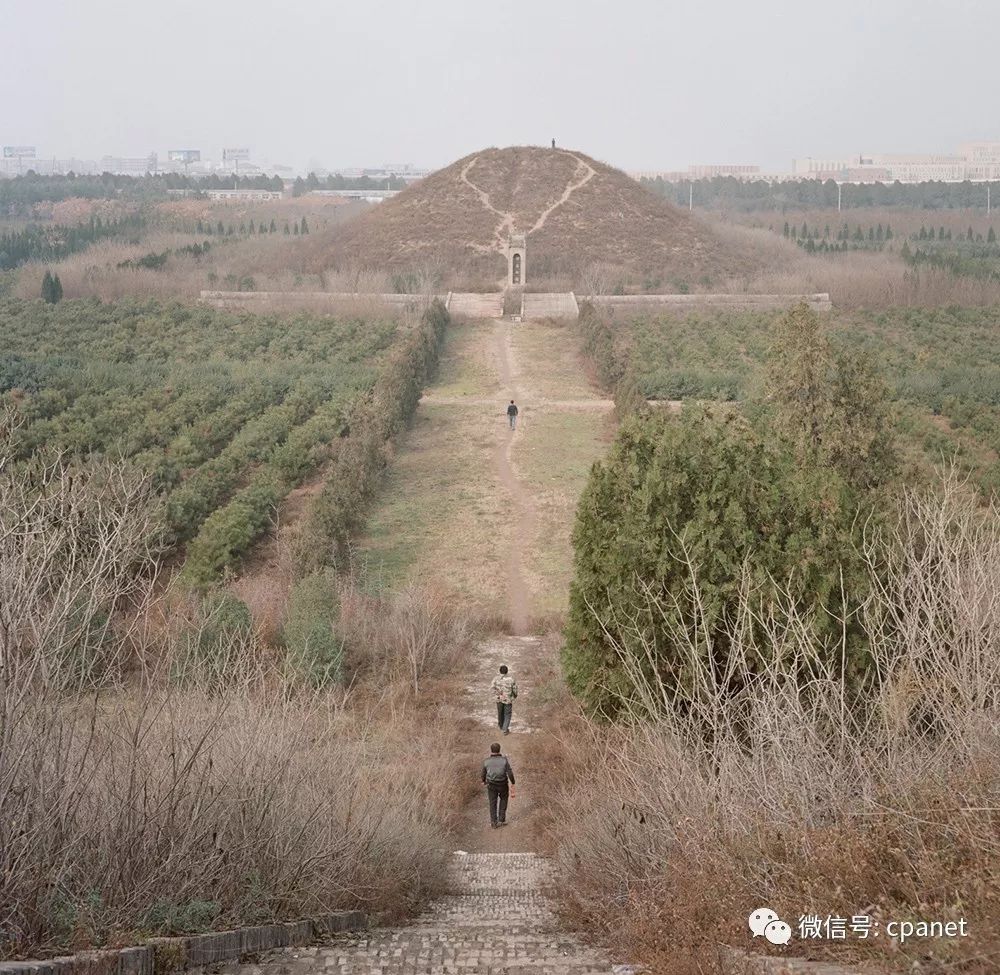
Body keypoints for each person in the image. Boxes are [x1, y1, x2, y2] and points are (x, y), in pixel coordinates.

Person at [482, 742, 515, 828]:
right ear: (499, 750)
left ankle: (493, 822)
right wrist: (513, 782)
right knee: (504, 800)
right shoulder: (504, 760)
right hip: (503, 784)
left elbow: (483, 773)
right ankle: (501, 820)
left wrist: (483, 781)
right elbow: (510, 773)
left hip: (491, 785)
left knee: (492, 803)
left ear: (491, 750)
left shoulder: (486, 761)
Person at [491, 664, 517, 734]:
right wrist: (514, 696)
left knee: (500, 713)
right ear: (507, 671)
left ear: (500, 671)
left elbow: (492, 688)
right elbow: (515, 690)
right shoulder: (511, 680)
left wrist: (497, 695)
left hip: (498, 699)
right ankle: (505, 729)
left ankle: (501, 725)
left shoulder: (495, 679)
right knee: (507, 714)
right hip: (508, 699)